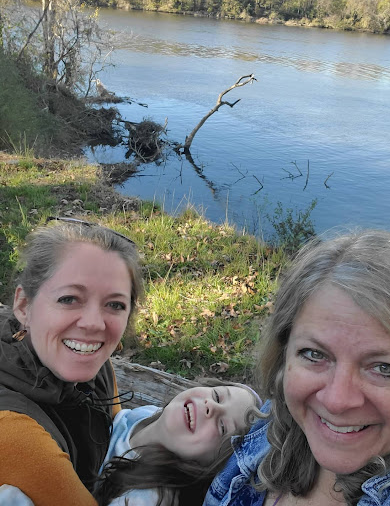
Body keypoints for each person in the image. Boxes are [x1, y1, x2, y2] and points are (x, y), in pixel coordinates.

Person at [204, 230, 390, 506]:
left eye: (384, 368)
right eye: (314, 354)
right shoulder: (274, 425)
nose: (336, 401)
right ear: (285, 355)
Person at [0, 217, 144, 506]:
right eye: (69, 299)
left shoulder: (96, 367)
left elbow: (117, 441)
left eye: (115, 305)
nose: (94, 324)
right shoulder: (14, 432)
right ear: (24, 306)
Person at [95, 380, 263, 506]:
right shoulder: (150, 413)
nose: (211, 406)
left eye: (222, 427)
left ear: (209, 467)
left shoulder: (146, 498)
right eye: (217, 396)